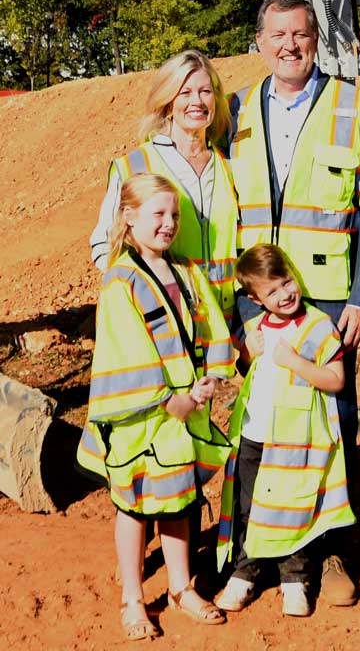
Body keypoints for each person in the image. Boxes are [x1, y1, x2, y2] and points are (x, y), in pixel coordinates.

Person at [227, 0, 360, 606]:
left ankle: (332, 551)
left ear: (316, 38)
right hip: (257, 299)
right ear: (260, 43)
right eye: (278, 34)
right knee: (261, 425)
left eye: (301, 34)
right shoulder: (236, 113)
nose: (290, 45)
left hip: (328, 301)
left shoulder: (354, 106)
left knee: (332, 425)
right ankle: (254, 553)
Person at [77, 173, 235, 639]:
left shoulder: (186, 271)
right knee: (134, 506)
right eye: (158, 214)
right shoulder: (120, 280)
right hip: (141, 416)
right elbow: (126, 352)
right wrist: (172, 400)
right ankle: (133, 598)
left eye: (174, 215)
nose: (168, 224)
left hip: (183, 414)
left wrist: (209, 378)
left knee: (179, 499)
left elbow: (208, 328)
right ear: (128, 217)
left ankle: (182, 587)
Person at [216, 244, 355, 617]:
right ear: (254, 299)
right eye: (271, 291)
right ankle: (245, 572)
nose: (284, 294)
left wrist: (295, 362)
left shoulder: (317, 326)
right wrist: (246, 352)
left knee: (294, 507)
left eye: (286, 282)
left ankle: (295, 578)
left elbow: (336, 380)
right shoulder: (256, 329)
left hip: (295, 441)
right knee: (249, 507)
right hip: (253, 433)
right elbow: (250, 374)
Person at [90, 50, 238, 324]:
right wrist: (148, 296)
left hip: (226, 321)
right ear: (168, 102)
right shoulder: (135, 165)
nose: (197, 101)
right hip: (168, 321)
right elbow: (104, 246)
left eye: (205, 91)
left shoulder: (230, 165)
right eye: (185, 92)